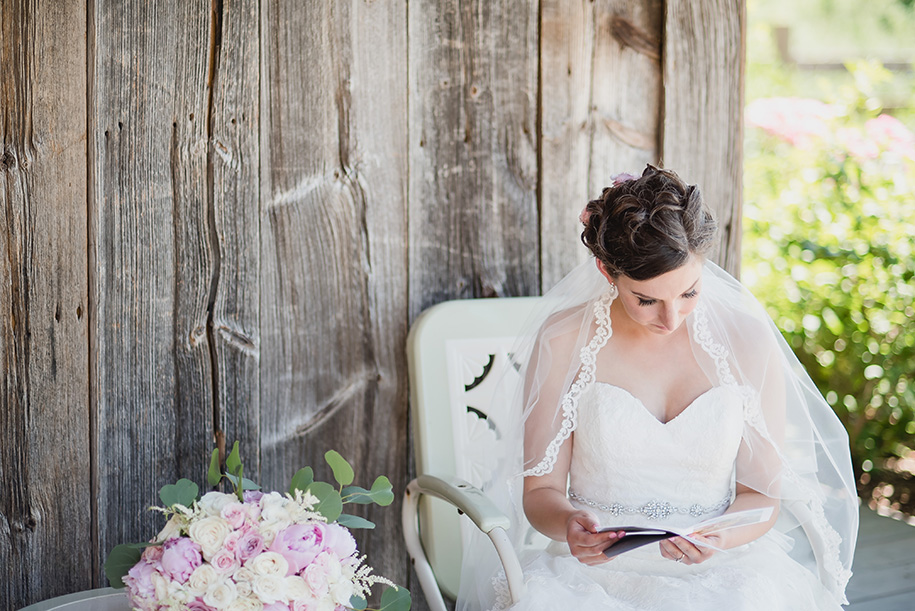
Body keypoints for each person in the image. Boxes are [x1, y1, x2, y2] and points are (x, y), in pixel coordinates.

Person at [457, 166, 858, 610]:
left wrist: (722, 535)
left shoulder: (747, 341)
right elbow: (540, 492)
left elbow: (762, 493)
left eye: (689, 292)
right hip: (592, 579)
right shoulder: (563, 340)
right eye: (646, 300)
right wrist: (571, 524)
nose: (671, 320)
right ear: (607, 271)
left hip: (724, 574)